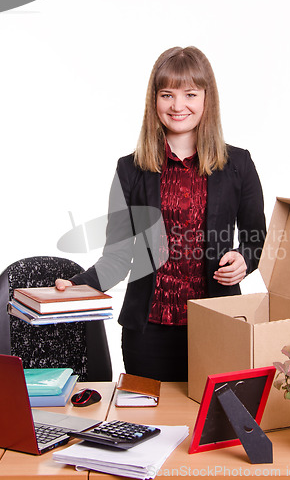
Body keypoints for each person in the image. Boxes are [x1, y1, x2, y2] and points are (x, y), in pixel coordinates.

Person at [56, 46, 266, 382]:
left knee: (214, 427)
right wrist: (78, 285)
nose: (178, 105)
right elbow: (117, 257)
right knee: (151, 426)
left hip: (219, 324)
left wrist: (245, 259)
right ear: (154, 100)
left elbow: (257, 239)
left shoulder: (238, 164)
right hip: (147, 332)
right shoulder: (131, 169)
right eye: (167, 94)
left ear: (207, 99)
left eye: (190, 94)